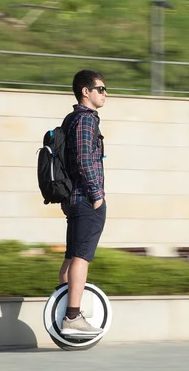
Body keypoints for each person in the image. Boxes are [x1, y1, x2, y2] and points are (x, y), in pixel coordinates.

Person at [58, 69, 107, 336]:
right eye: (100, 89)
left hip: (75, 199)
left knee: (71, 257)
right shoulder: (85, 120)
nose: (105, 93)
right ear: (85, 92)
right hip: (85, 200)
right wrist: (96, 195)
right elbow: (83, 160)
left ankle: (65, 309)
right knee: (81, 258)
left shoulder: (71, 119)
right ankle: (72, 317)